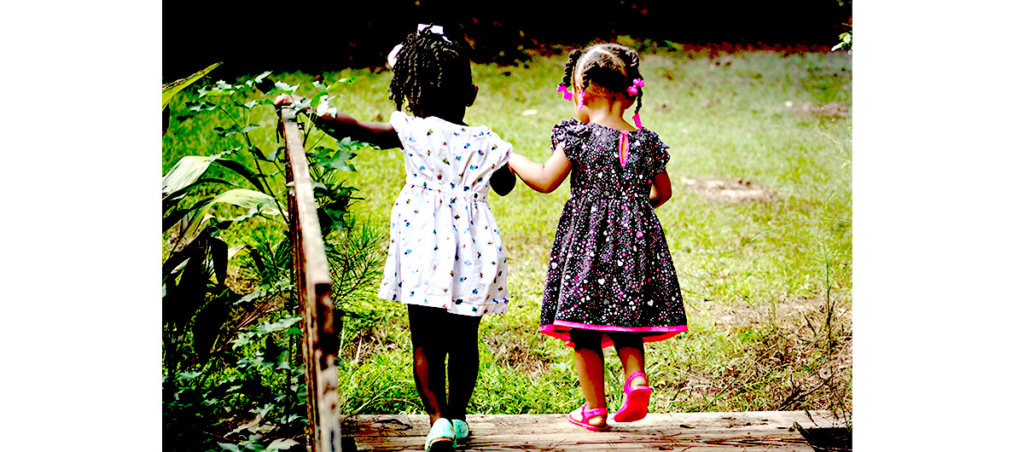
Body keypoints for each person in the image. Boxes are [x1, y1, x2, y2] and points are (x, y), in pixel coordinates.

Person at [275, 24, 516, 452]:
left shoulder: (411, 130)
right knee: (465, 340)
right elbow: (503, 187)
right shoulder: (487, 141)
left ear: (410, 93)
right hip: (476, 252)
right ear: (472, 94)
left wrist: (312, 111)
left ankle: (437, 419)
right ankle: (459, 417)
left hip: (423, 244)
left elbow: (355, 130)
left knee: (425, 338)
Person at [507, 42, 688, 431]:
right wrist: (633, 212)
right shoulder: (648, 143)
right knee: (628, 317)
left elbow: (543, 180)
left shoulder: (580, 139)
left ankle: (594, 410)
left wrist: (509, 157)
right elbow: (663, 193)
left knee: (583, 326)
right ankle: (636, 378)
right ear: (627, 93)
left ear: (583, 92)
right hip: (635, 245)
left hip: (586, 248)